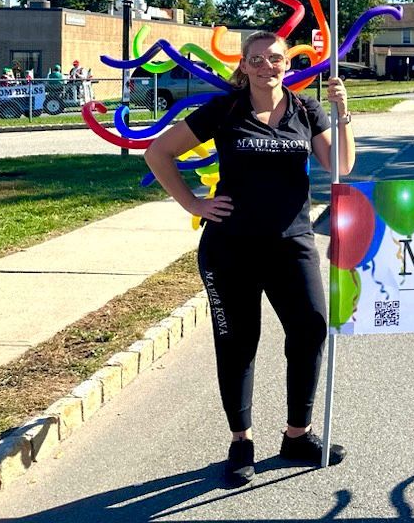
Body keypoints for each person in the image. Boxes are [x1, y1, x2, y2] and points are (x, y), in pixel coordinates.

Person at [145, 31, 354, 485]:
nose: (266, 66)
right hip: (231, 247)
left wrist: (342, 114)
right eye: (256, 59)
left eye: (274, 58)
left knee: (310, 329)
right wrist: (194, 204)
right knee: (239, 343)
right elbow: (157, 152)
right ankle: (241, 441)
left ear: (287, 64)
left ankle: (297, 435)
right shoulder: (225, 109)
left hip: (292, 242)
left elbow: (341, 168)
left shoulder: (305, 110)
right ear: (244, 65)